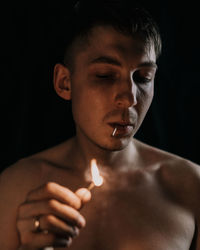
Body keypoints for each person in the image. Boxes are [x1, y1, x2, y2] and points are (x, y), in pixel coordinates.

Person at [0, 0, 200, 249]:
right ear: (65, 83)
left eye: (143, 78)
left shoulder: (191, 186)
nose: (128, 99)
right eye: (105, 75)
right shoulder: (15, 188)